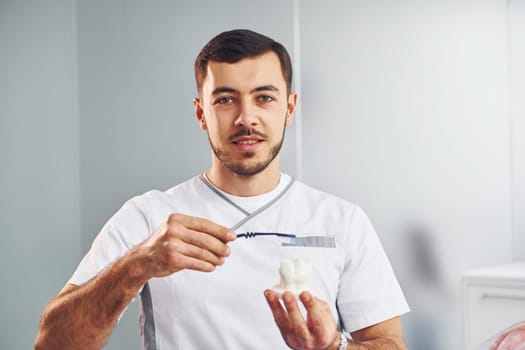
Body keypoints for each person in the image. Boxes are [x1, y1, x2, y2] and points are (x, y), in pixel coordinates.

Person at [34, 29, 410, 350]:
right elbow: (51, 342)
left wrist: (335, 346)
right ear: (201, 113)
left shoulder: (343, 221)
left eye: (264, 97)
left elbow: (390, 343)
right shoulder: (148, 217)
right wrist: (139, 264)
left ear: (290, 108)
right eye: (226, 100)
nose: (247, 118)